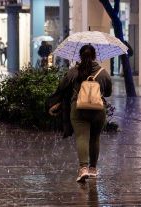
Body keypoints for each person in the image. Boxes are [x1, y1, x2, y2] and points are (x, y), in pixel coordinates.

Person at [48, 45, 112, 182]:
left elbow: (61, 87)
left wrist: (56, 102)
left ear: (80, 56)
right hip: (98, 111)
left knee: (82, 137)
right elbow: (108, 92)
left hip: (78, 109)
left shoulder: (73, 72)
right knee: (95, 138)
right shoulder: (103, 73)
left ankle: (83, 168)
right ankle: (93, 169)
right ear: (95, 56)